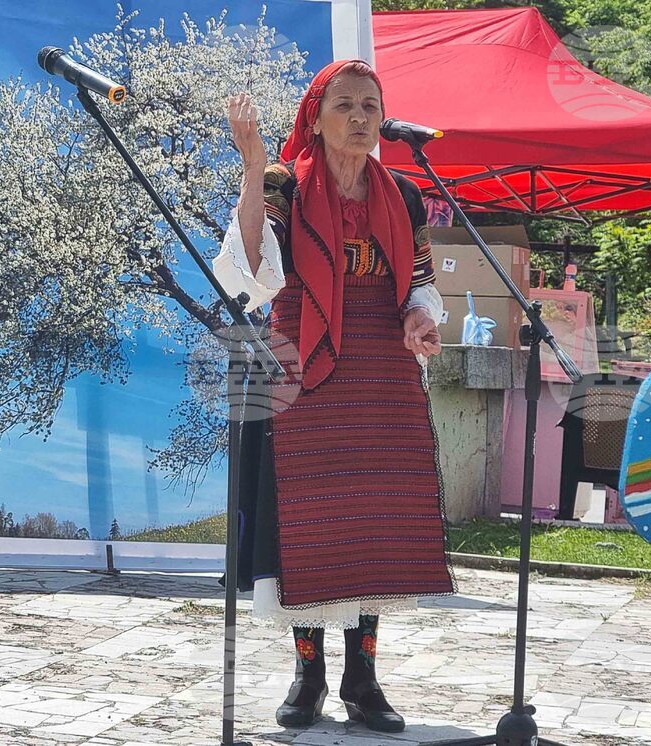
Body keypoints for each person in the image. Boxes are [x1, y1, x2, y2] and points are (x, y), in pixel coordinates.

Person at [212, 59, 455, 733]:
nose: (359, 117)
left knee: (374, 522)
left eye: (370, 106)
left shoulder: (404, 195)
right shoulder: (285, 185)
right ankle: (309, 674)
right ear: (315, 118)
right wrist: (255, 165)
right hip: (306, 375)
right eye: (344, 104)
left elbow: (422, 280)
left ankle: (364, 677)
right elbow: (252, 278)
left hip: (381, 374)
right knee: (310, 520)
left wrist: (419, 315)